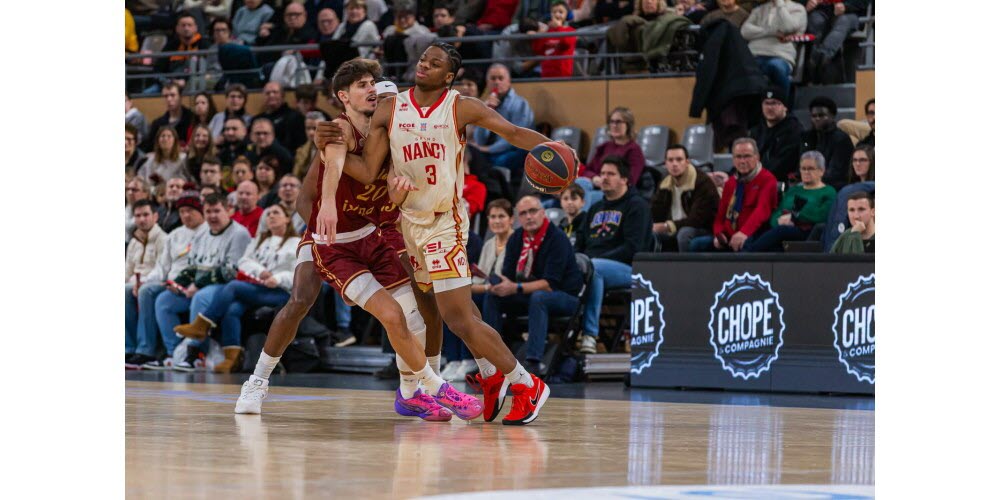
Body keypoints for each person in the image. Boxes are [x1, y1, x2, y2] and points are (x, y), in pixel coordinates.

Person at [336, 43, 580, 425]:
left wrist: (552, 146)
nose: (424, 65)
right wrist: (332, 150)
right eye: (423, 59)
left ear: (448, 76)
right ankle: (486, 374)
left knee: (458, 318)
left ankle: (526, 384)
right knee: (439, 309)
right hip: (408, 223)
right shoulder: (390, 108)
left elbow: (513, 132)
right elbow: (369, 170)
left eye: (434, 63)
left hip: (444, 223)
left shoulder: (460, 106)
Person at [174, 205, 301, 372]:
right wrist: (260, 271)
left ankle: (202, 325)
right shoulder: (260, 240)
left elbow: (298, 273)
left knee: (233, 286)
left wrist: (277, 278)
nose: (271, 216)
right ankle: (232, 358)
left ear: (287, 218)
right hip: (257, 287)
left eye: (276, 213)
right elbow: (244, 261)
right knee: (232, 309)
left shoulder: (296, 243)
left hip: (281, 291)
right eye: (268, 213)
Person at [482, 195, 584, 375]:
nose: (529, 217)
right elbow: (508, 276)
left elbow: (549, 284)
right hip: (529, 293)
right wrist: (499, 285)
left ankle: (533, 362)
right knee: (493, 297)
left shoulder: (557, 238)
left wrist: (515, 287)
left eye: (533, 211)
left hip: (565, 296)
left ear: (543, 213)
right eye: (523, 213)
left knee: (539, 297)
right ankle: (494, 359)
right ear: (518, 218)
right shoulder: (516, 238)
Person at [155, 193, 252, 372]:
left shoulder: (239, 234)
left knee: (200, 297)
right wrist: (178, 283)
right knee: (164, 300)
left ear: (228, 210)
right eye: (208, 212)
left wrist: (198, 284)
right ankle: (174, 353)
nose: (212, 216)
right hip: (201, 285)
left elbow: (231, 271)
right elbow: (192, 266)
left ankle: (195, 353)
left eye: (217, 211)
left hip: (227, 287)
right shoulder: (201, 234)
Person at [576, 155, 652, 354]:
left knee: (594, 270)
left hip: (629, 268)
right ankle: (563, 333)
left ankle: (589, 335)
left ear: (624, 179)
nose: (604, 178)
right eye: (602, 173)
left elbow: (633, 247)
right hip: (592, 264)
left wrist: (592, 262)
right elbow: (580, 242)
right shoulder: (595, 208)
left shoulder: (637, 206)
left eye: (611, 174)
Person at [133, 189, 209, 369]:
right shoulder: (175, 235)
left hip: (195, 285)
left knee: (163, 300)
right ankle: (157, 351)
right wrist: (144, 281)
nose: (186, 215)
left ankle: (182, 352)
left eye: (190, 211)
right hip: (171, 283)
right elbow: (162, 267)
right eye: (182, 212)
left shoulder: (209, 232)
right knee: (145, 290)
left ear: (200, 211)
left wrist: (188, 284)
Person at [690, 137, 779, 252]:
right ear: (733, 159)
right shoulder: (731, 183)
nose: (742, 161)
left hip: (753, 235)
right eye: (738, 157)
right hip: (728, 237)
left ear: (757, 157)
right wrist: (719, 234)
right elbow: (720, 217)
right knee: (696, 244)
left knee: (746, 246)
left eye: (747, 156)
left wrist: (743, 233)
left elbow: (762, 211)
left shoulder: (768, 179)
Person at [744, 151, 835, 252]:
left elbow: (822, 215)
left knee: (780, 232)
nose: (806, 172)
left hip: (807, 232)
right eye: (803, 168)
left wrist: (793, 217)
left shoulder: (828, 192)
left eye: (810, 168)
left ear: (821, 171)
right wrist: (778, 221)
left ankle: (747, 254)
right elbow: (777, 212)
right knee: (762, 236)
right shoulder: (793, 190)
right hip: (782, 229)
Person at [469, 64, 537, 177]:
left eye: (501, 78)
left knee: (496, 163)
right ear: (487, 82)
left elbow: (516, 136)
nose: (497, 82)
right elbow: (479, 140)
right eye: (493, 78)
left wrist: (488, 149)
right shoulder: (486, 105)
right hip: (488, 151)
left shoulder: (520, 104)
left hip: (514, 150)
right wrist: (484, 112)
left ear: (508, 82)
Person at [650, 144, 720, 252]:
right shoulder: (665, 184)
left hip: (704, 228)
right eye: (670, 160)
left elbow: (697, 220)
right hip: (676, 227)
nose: (674, 164)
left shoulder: (702, 182)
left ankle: (686, 264)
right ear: (665, 164)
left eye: (679, 159)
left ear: (687, 162)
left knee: (684, 234)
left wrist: (667, 226)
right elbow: (655, 212)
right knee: (649, 233)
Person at [125, 200, 168, 368]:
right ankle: (128, 348)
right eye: (138, 216)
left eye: (146, 215)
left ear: (155, 216)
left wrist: (141, 282)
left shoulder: (163, 239)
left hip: (156, 282)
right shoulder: (134, 241)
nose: (142, 219)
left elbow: (162, 269)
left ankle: (145, 349)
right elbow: (127, 269)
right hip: (134, 283)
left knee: (144, 291)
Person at [740, 0, 807, 97]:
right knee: (742, 70)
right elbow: (744, 31)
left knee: (775, 67)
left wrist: (780, 4)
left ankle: (782, 103)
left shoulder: (798, 9)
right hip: (755, 53)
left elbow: (788, 27)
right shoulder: (758, 9)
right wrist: (771, 32)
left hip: (780, 55)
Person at [580, 106, 645, 189]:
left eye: (618, 122)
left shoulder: (634, 150)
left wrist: (605, 181)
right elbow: (587, 170)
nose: (614, 125)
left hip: (614, 191)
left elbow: (630, 180)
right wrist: (594, 178)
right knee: (578, 183)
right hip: (596, 186)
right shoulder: (604, 146)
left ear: (628, 125)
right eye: (612, 122)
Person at [749, 86, 804, 183]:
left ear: (785, 107)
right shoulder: (756, 131)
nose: (770, 107)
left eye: (774, 103)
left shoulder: (794, 131)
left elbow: (781, 165)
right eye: (766, 103)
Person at [802, 96, 854, 188]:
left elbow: (835, 173)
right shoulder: (807, 137)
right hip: (809, 182)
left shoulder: (841, 139)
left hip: (833, 186)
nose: (817, 119)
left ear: (832, 116)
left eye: (821, 115)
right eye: (814, 116)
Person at [806, 0, 869, 72]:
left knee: (843, 22)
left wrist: (846, 6)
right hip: (822, 11)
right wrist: (808, 3)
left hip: (851, 13)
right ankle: (814, 63)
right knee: (815, 21)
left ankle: (821, 57)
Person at [154, 12, 212, 89]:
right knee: (147, 93)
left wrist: (188, 82)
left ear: (196, 28)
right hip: (171, 85)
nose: (186, 28)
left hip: (197, 85)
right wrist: (169, 82)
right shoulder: (170, 46)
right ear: (177, 28)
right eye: (183, 25)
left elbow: (212, 70)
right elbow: (158, 70)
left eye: (189, 25)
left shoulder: (205, 45)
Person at [255, 82, 308, 154]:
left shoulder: (295, 117)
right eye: (267, 93)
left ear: (282, 95)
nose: (271, 95)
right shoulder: (257, 119)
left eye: (275, 92)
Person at [142, 82, 195, 152]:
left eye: (172, 95)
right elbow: (149, 148)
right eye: (166, 96)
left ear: (180, 96)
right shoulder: (157, 124)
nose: (169, 99)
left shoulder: (192, 118)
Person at [531, 1, 577, 78]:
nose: (557, 14)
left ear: (567, 15)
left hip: (563, 73)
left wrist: (559, 27)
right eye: (554, 12)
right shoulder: (547, 32)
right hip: (546, 72)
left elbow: (566, 43)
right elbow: (537, 50)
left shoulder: (571, 30)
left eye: (561, 12)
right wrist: (539, 36)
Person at [295, 111, 324, 179]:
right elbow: (296, 175)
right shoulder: (301, 151)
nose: (311, 132)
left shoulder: (332, 150)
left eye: (315, 128)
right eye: (308, 128)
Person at [126, 177, 153, 243]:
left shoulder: (151, 210)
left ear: (145, 193)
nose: (130, 193)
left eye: (134, 190)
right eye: (128, 189)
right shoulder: (128, 207)